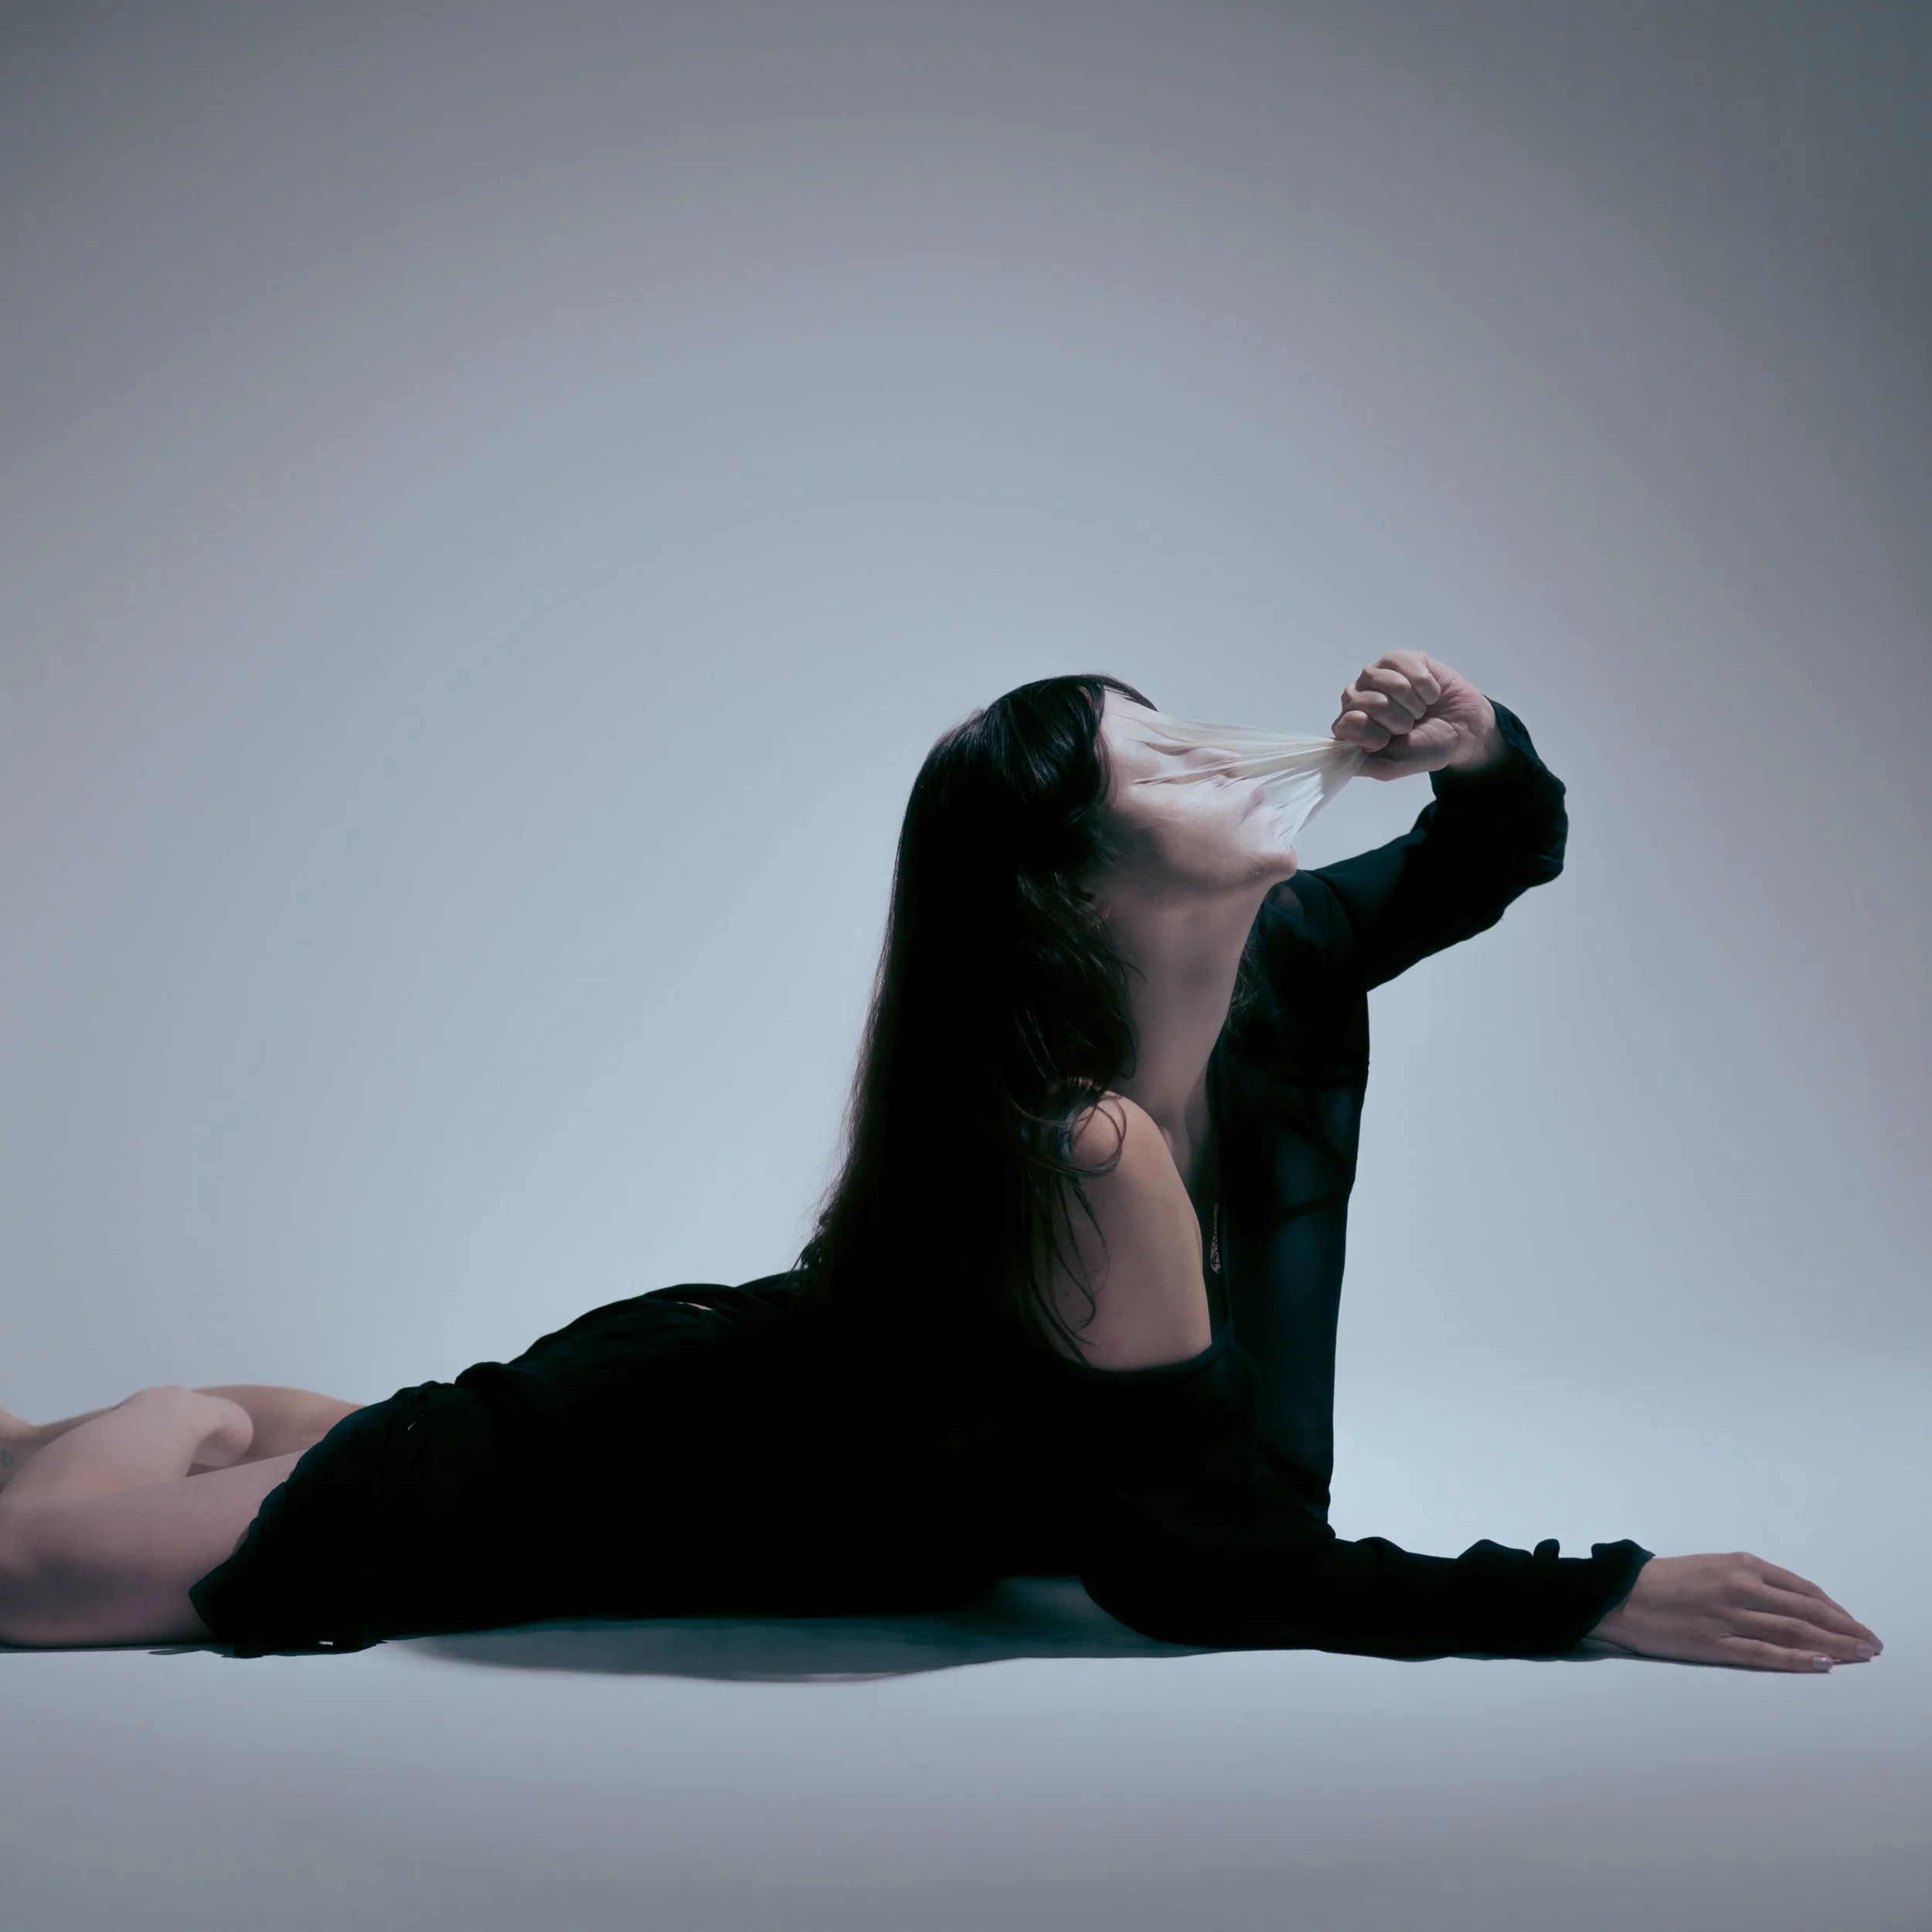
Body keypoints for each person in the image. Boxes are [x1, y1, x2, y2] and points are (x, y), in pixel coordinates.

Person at [0, 652, 1883, 1673]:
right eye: (1153, 758)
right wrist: (1584, 1592)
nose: (1222, 755)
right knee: (23, 1572)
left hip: (714, 1412)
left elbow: (1497, 852)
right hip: (590, 1469)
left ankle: (197, 1420)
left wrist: (1481, 749)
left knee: (293, 1441)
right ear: (1070, 882)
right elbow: (1204, 1574)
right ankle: (177, 1404)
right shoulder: (1082, 1148)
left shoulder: (1295, 965)